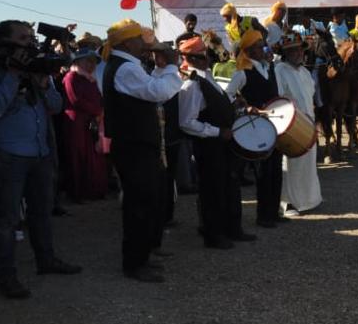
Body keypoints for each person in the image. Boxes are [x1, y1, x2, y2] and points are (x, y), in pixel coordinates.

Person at [0, 21, 82, 298]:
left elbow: (56, 106)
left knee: (41, 212)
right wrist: (13, 75)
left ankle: (46, 260)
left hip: (40, 152)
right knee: (7, 220)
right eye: (23, 38)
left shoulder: (36, 65)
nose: (30, 43)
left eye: (31, 37)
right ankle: (7, 278)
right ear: (3, 40)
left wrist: (43, 84)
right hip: (7, 154)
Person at [101, 19, 183, 282]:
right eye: (140, 39)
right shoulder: (125, 68)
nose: (145, 44)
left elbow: (149, 88)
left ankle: (144, 254)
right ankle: (135, 263)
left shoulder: (127, 66)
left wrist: (162, 67)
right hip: (134, 147)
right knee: (138, 206)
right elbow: (158, 92)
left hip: (137, 145)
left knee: (148, 202)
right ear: (128, 43)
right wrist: (172, 65)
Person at [177, 36, 255, 249]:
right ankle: (213, 235)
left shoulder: (207, 78)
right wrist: (217, 132)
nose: (210, 58)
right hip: (209, 146)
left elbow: (217, 104)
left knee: (229, 185)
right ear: (194, 59)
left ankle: (232, 228)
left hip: (223, 144)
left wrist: (236, 105)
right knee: (212, 190)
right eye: (205, 55)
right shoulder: (191, 85)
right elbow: (186, 122)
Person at [225, 29, 283, 228]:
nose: (263, 49)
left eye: (263, 46)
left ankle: (274, 212)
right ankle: (263, 216)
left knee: (276, 169)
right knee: (264, 171)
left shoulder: (269, 68)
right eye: (259, 47)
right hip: (257, 127)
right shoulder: (242, 72)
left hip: (275, 123)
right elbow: (228, 95)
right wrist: (244, 107)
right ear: (249, 51)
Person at [273, 33, 322, 215]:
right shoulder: (279, 70)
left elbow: (310, 98)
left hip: (308, 123)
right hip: (291, 125)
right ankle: (288, 203)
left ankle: (309, 199)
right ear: (285, 53)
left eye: (300, 49)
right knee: (291, 164)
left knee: (308, 163)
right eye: (292, 50)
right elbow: (278, 98)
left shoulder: (305, 72)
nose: (298, 53)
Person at [60, 47, 107, 201]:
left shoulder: (90, 79)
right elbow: (76, 100)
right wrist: (97, 110)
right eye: (88, 61)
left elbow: (98, 98)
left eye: (93, 62)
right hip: (77, 123)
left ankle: (94, 190)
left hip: (92, 122)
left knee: (93, 156)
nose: (91, 65)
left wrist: (101, 110)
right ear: (78, 62)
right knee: (78, 156)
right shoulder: (71, 77)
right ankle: (79, 192)